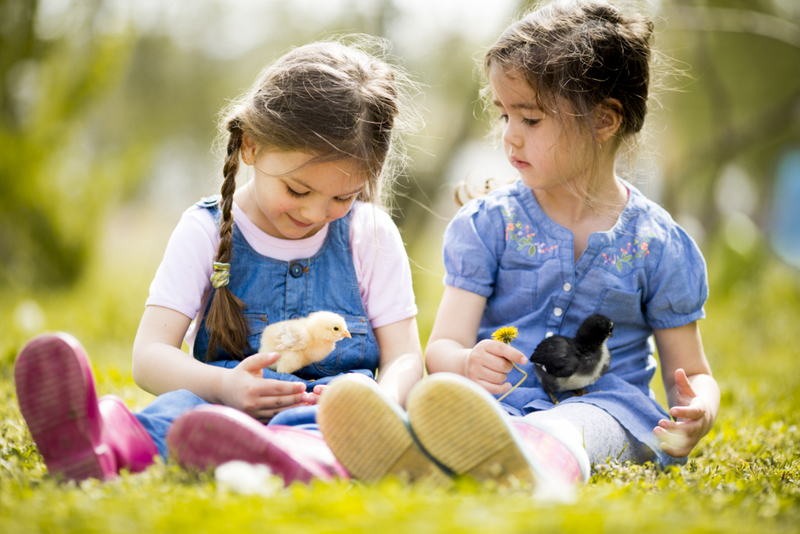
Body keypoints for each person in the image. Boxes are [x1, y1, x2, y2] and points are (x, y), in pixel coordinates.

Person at [319, 0, 719, 490]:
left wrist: (701, 406)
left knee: (574, 425)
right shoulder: (490, 225)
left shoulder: (658, 245)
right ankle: (415, 452)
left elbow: (693, 372)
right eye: (504, 114)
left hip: (607, 413)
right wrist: (466, 364)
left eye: (529, 120)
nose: (510, 136)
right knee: (441, 399)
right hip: (497, 405)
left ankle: (536, 465)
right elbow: (443, 347)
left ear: (604, 121)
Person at [14, 37, 424, 485]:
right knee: (176, 412)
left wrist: (384, 401)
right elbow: (149, 356)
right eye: (298, 190)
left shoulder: (370, 234)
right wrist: (224, 387)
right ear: (251, 146)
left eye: (342, 197)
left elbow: (405, 355)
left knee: (338, 421)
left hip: (332, 411)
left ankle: (292, 461)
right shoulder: (205, 230)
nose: (312, 213)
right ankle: (97, 443)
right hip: (219, 402)